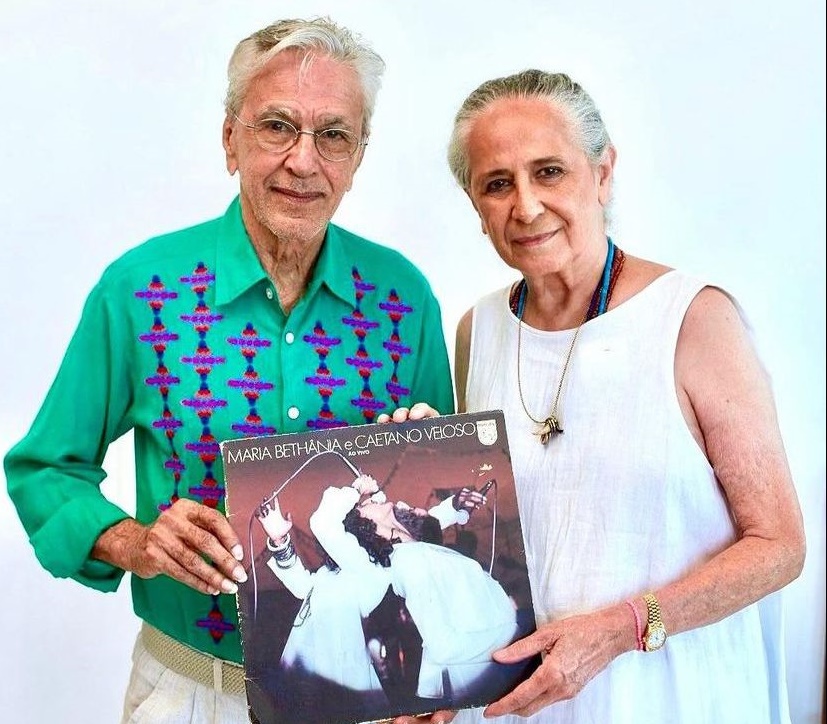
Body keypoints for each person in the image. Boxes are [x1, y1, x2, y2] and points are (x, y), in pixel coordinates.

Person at [3, 16, 454, 724]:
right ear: (229, 139)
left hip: (368, 696)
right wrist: (138, 543)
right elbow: (45, 468)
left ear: (359, 156)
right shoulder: (142, 289)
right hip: (192, 694)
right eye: (277, 126)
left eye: (333, 134)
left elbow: (439, 509)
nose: (304, 161)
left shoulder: (404, 299)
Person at [438, 68, 806, 723]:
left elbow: (777, 546)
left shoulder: (692, 318)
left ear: (602, 172)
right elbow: (486, 548)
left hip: (671, 701)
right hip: (518, 710)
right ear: (475, 207)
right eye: (497, 184)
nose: (524, 206)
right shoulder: (478, 330)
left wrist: (620, 627)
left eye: (548, 171)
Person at [256, 474, 518, 719]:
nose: (375, 499)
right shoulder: (349, 568)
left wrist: (359, 489)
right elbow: (304, 588)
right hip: (305, 673)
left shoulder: (371, 570)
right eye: (365, 504)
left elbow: (407, 535)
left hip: (330, 685)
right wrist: (280, 541)